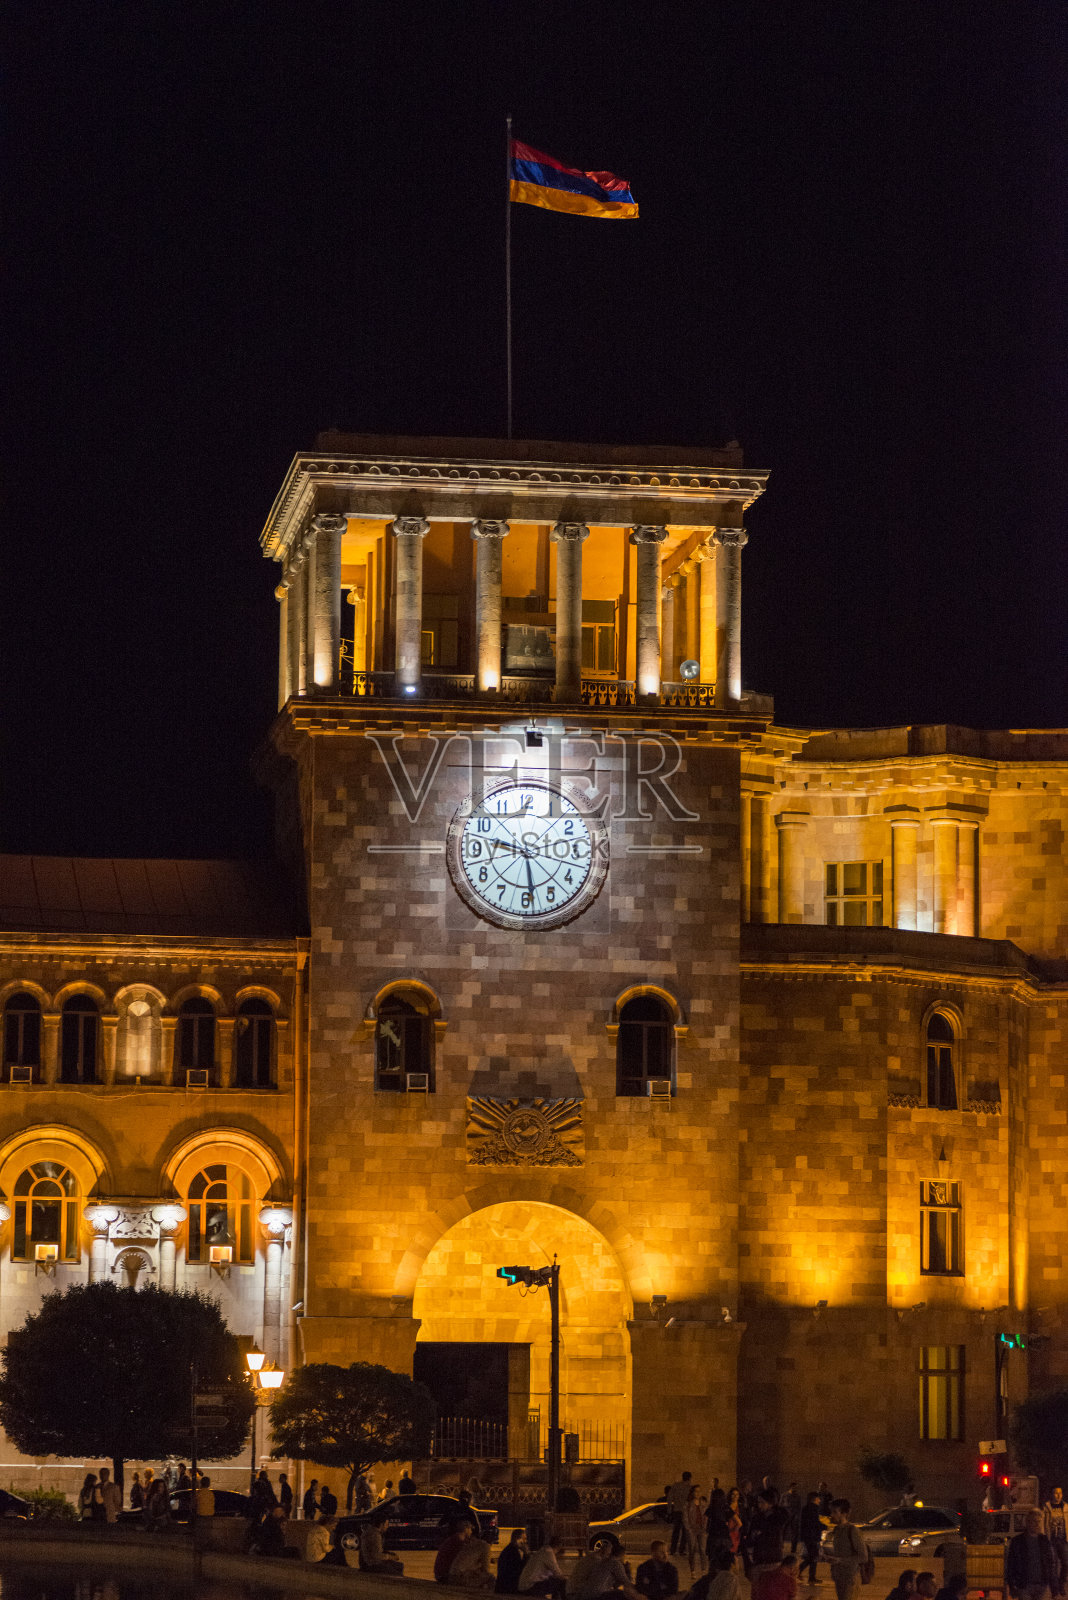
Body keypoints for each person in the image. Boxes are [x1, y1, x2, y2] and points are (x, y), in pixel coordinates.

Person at [569, 1534, 641, 1600]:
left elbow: (615, 1584)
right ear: (622, 1555)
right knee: (623, 1595)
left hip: (586, 1593)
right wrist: (629, 1570)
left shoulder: (602, 1561)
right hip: (597, 1595)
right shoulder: (615, 1563)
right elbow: (626, 1582)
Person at [1007, 1516, 1058, 1600]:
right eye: (1034, 1521)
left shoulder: (1044, 1540)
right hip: (1024, 1585)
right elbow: (1011, 1563)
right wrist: (1012, 1585)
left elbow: (1051, 1564)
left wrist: (1054, 1588)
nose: (1037, 1524)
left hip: (1042, 1585)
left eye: (1039, 1522)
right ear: (1028, 1523)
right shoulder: (1018, 1541)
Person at [749, 1489, 792, 1586]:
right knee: (758, 1589)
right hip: (759, 1558)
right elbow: (750, 1537)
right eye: (758, 1502)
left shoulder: (778, 1517)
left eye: (762, 1502)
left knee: (771, 1588)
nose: (759, 1505)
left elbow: (786, 1518)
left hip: (773, 1558)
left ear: (771, 1503)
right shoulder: (757, 1517)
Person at [827, 1499, 868, 1600]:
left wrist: (840, 1560)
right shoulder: (836, 1530)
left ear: (844, 1514)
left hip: (850, 1578)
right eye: (831, 1512)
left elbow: (863, 1557)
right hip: (839, 1577)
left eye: (835, 1512)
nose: (831, 1515)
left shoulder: (852, 1530)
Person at [519, 1535, 567, 1600]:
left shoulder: (542, 1550)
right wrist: (567, 1580)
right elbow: (557, 1573)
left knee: (555, 1582)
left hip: (524, 1586)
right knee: (562, 1583)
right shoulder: (549, 1553)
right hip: (530, 1587)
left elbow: (552, 1574)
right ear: (559, 1546)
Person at [359, 1510, 405, 1575]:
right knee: (397, 1572)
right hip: (370, 1565)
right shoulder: (375, 1535)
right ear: (381, 1524)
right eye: (386, 1524)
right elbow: (376, 1556)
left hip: (369, 1562)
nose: (387, 1526)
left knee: (399, 1565)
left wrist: (389, 1554)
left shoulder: (371, 1531)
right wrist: (390, 1557)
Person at [1045, 1488, 1068, 1596]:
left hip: (1063, 1540)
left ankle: (1061, 1585)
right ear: (1052, 1494)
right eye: (1055, 1493)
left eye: (1060, 1493)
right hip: (1051, 1541)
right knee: (1052, 1566)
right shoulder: (1046, 1507)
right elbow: (1043, 1524)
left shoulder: (1066, 1507)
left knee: (1066, 1564)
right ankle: (1054, 1590)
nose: (1058, 1495)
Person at [799, 1492, 824, 1586]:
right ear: (814, 1499)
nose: (820, 1500)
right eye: (818, 1499)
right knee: (813, 1557)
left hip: (807, 1536)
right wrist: (824, 1526)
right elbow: (814, 1523)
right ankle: (801, 1572)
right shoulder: (813, 1509)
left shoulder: (805, 1508)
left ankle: (811, 1577)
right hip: (812, 1536)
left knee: (813, 1556)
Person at [667, 1471, 693, 1556]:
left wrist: (669, 1510)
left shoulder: (675, 1486)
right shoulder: (690, 1488)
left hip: (677, 1511)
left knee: (676, 1531)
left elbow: (669, 1498)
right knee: (685, 1532)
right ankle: (681, 1550)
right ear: (689, 1478)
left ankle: (673, 1550)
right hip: (686, 1512)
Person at [496, 1527, 530, 1593]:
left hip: (504, 1585)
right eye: (524, 1539)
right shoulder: (512, 1552)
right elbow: (522, 1569)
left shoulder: (509, 1549)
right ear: (517, 1539)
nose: (526, 1541)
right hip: (509, 1587)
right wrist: (526, 1554)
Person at [685, 1489, 709, 1578]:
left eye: (699, 1491)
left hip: (702, 1529)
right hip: (692, 1529)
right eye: (696, 1491)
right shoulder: (688, 1505)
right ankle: (693, 1570)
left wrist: (705, 1527)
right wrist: (689, 1529)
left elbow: (706, 1515)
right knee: (692, 1550)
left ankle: (703, 1570)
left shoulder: (703, 1504)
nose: (698, 1493)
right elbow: (685, 1518)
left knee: (702, 1550)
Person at [783, 1486, 802, 1553]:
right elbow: (781, 1504)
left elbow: (799, 1507)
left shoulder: (797, 1496)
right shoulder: (785, 1495)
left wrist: (797, 1515)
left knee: (794, 1533)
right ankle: (780, 1545)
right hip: (786, 1515)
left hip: (794, 1516)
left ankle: (793, 1548)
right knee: (782, 1531)